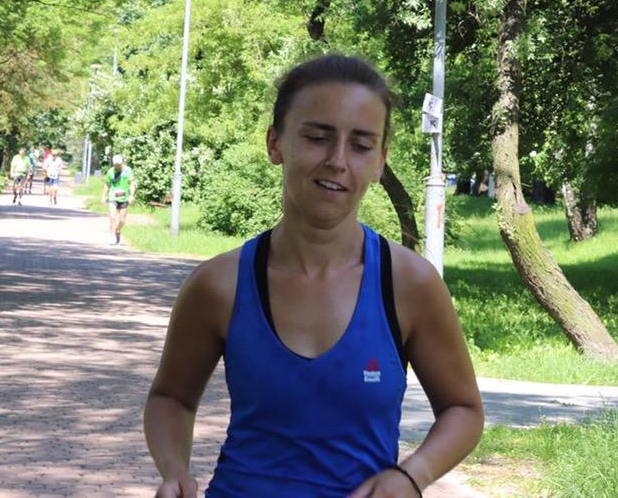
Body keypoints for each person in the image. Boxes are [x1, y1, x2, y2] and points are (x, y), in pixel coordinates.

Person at [143, 55, 484, 498]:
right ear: (275, 143)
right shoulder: (219, 285)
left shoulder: (408, 284)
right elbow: (171, 398)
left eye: (361, 145)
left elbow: (463, 409)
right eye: (318, 138)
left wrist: (411, 475)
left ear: (380, 162)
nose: (337, 161)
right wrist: (174, 470)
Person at [101, 154, 135, 245]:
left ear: (122, 163)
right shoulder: (110, 172)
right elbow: (107, 185)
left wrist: (132, 195)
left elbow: (132, 183)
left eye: (119, 165)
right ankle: (112, 236)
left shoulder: (128, 170)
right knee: (112, 216)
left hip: (124, 197)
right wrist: (103, 196)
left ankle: (117, 230)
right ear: (113, 164)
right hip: (113, 196)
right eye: (115, 165)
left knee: (122, 220)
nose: (117, 166)